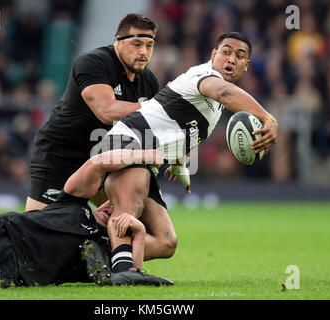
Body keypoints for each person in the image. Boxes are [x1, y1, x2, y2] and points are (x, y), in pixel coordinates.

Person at [94, 32, 279, 275]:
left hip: (145, 158)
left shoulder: (214, 108)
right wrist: (267, 117)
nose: (231, 59)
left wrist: (179, 165)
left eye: (239, 56)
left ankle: (92, 257)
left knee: (166, 241)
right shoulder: (205, 76)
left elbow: (174, 124)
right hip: (130, 140)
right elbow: (224, 92)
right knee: (130, 206)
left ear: (247, 65)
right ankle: (124, 271)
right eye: (226, 52)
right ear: (213, 55)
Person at [0, 149, 173, 288]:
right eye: (110, 201)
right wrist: (148, 156)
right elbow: (98, 162)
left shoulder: (102, 251)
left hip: (6, 272)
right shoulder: (73, 201)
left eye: (118, 210)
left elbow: (130, 274)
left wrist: (138, 231)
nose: (111, 207)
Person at [26, 13, 159, 210]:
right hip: (61, 156)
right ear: (118, 42)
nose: (144, 52)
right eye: (137, 44)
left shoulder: (149, 81)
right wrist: (157, 106)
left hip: (102, 162)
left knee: (130, 220)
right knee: (38, 231)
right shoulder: (94, 63)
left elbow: (153, 127)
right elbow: (107, 111)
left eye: (149, 46)